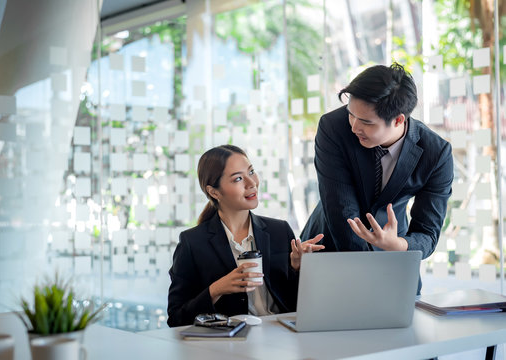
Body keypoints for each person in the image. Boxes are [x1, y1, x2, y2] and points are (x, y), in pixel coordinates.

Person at [308, 63, 453, 293]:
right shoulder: (333, 128)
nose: (354, 126)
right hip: (332, 250)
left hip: (394, 260)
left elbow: (427, 234)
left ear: (398, 120)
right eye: (351, 114)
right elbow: (341, 210)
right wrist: (371, 279)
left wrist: (397, 245)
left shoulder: (436, 153)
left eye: (366, 122)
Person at [167, 145, 324, 327]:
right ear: (214, 192)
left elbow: (299, 304)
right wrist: (216, 290)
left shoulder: (279, 231)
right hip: (229, 344)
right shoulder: (192, 243)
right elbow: (176, 318)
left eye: (251, 172)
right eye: (238, 178)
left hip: (281, 336)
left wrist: (298, 269)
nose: (252, 183)